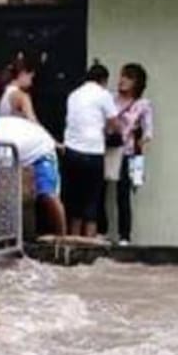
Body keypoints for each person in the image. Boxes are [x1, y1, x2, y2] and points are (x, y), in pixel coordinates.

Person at [62, 61, 119, 238]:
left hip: (71, 151)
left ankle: (73, 241)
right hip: (93, 152)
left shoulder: (73, 95)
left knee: (75, 200)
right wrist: (107, 132)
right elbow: (114, 123)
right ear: (103, 80)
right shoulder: (103, 94)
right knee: (92, 200)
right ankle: (90, 247)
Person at [100, 62, 154, 245]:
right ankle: (102, 231)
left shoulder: (142, 105)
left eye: (129, 77)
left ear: (137, 83)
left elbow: (148, 131)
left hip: (128, 152)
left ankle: (124, 236)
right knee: (101, 191)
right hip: (107, 149)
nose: (122, 80)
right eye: (122, 75)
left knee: (123, 194)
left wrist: (141, 139)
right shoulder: (109, 98)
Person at [0, 115, 67, 237]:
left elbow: (3, 181)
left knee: (47, 194)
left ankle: (61, 236)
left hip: (42, 150)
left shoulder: (2, 144)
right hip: (24, 146)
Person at [0, 54, 39, 122]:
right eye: (31, 78)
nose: (31, 83)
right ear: (23, 74)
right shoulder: (22, 97)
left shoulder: (2, 93)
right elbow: (34, 123)